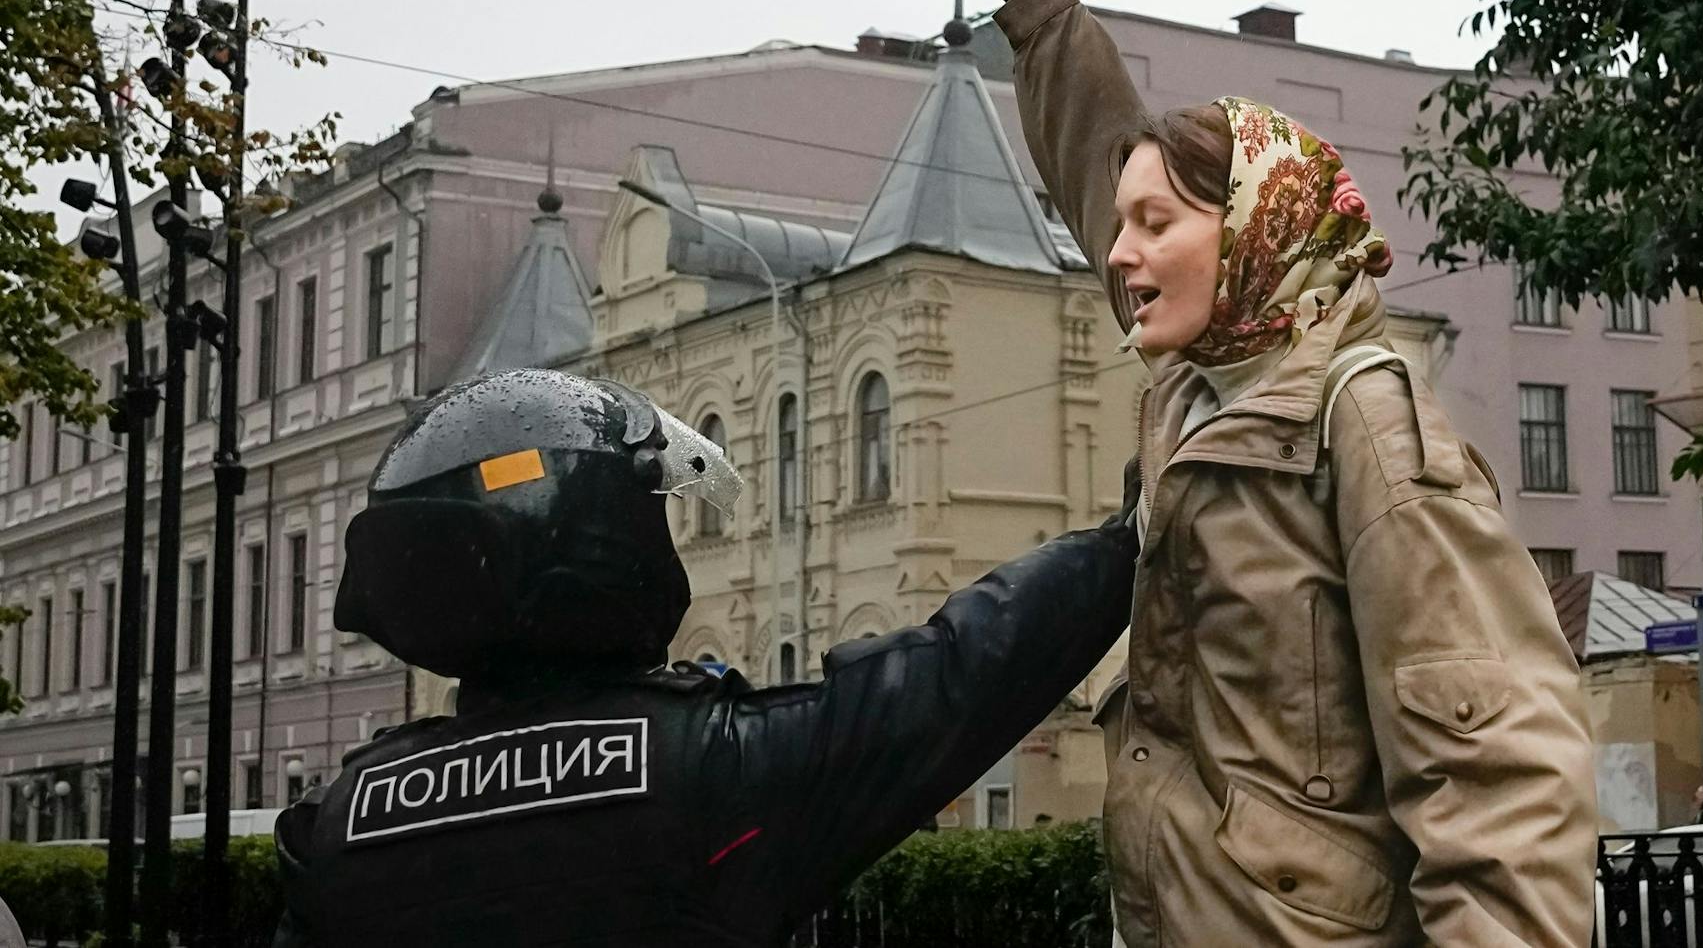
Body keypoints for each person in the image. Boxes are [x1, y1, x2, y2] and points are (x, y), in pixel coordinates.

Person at [979, 0, 1597, 947]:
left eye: (1155, 226)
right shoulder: (1199, 382)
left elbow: (1498, 773)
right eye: (1119, 227)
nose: (1118, 252)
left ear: (1256, 228)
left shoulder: (1359, 413)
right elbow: (1090, 137)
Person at [272, 368, 1139, 947]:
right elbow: (961, 670)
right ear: (601, 538)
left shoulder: (338, 824)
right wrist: (1127, 543)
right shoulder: (711, 772)